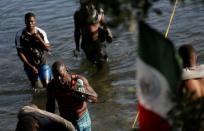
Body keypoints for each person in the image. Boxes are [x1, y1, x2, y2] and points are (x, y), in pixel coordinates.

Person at [46, 61, 98, 131]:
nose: (59, 79)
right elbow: (50, 107)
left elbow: (95, 98)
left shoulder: (78, 80)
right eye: (55, 76)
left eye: (61, 76)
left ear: (66, 71)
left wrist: (82, 92)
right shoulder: (51, 86)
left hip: (84, 119)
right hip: (67, 122)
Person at [15, 12, 52, 88]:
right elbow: (20, 53)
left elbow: (48, 48)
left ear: (35, 21)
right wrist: (31, 66)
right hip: (29, 65)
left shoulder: (41, 32)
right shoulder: (19, 35)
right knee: (36, 87)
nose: (30, 23)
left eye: (32, 21)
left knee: (47, 85)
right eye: (28, 21)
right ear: (25, 21)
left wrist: (39, 39)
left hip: (42, 62)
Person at [74, 0, 112, 65]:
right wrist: (77, 47)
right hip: (87, 45)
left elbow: (104, 25)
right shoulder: (78, 15)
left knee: (102, 59)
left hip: (98, 42)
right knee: (91, 61)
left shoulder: (98, 12)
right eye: (83, 5)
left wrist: (109, 34)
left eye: (87, 4)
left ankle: (101, 71)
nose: (86, 7)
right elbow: (77, 31)